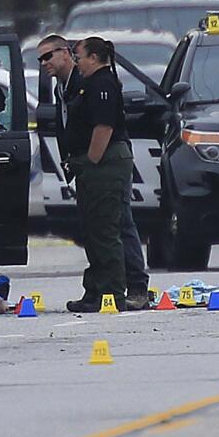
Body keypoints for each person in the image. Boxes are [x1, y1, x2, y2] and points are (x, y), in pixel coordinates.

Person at [40, 35, 142, 312]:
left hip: (104, 163)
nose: (44, 63)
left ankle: (116, 291)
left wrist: (90, 161)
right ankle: (97, 289)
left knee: (110, 227)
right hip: (89, 164)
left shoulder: (99, 83)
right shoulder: (70, 87)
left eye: (48, 56)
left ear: (92, 58)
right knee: (95, 228)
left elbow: (104, 126)